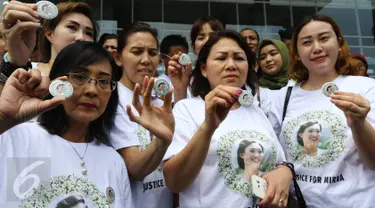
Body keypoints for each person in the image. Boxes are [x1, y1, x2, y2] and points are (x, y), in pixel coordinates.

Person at [162, 30, 293, 208]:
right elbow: (174, 182)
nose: (231, 65)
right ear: (204, 68)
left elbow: (279, 161)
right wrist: (208, 128)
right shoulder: (187, 109)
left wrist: (285, 173)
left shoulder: (255, 111)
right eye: (221, 58)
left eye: (239, 58)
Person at [0, 42, 133, 207]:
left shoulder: (114, 162)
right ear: (57, 82)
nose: (92, 90)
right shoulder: (16, 136)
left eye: (104, 81)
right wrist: (3, 117)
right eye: (80, 77)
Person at [268, 14, 375, 207]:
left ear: (338, 42)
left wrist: (359, 123)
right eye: (307, 42)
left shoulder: (365, 88)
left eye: (324, 38)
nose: (317, 48)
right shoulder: (282, 98)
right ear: (297, 52)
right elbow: (274, 157)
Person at [111, 22, 173, 208]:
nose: (146, 60)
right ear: (118, 58)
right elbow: (136, 169)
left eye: (152, 53)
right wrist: (161, 141)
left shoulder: (162, 102)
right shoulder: (113, 100)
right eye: (137, 52)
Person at [0, 1, 97, 90]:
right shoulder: (28, 71)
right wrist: (16, 62)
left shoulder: (100, 81)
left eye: (89, 33)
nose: (81, 37)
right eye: (72, 27)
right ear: (50, 34)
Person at [167, 16, 224, 104]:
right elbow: (180, 115)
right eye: (201, 38)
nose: (207, 41)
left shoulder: (234, 73)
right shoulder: (187, 79)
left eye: (213, 36)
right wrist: (180, 89)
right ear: (193, 47)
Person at [256, 39, 291, 116]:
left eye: (273, 53)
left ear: (284, 55)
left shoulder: (298, 86)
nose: (268, 59)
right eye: (262, 58)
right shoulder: (255, 90)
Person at [159, 34, 189, 102]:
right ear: (163, 57)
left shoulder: (193, 85)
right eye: (176, 58)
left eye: (184, 58)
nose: (181, 62)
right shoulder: (157, 84)